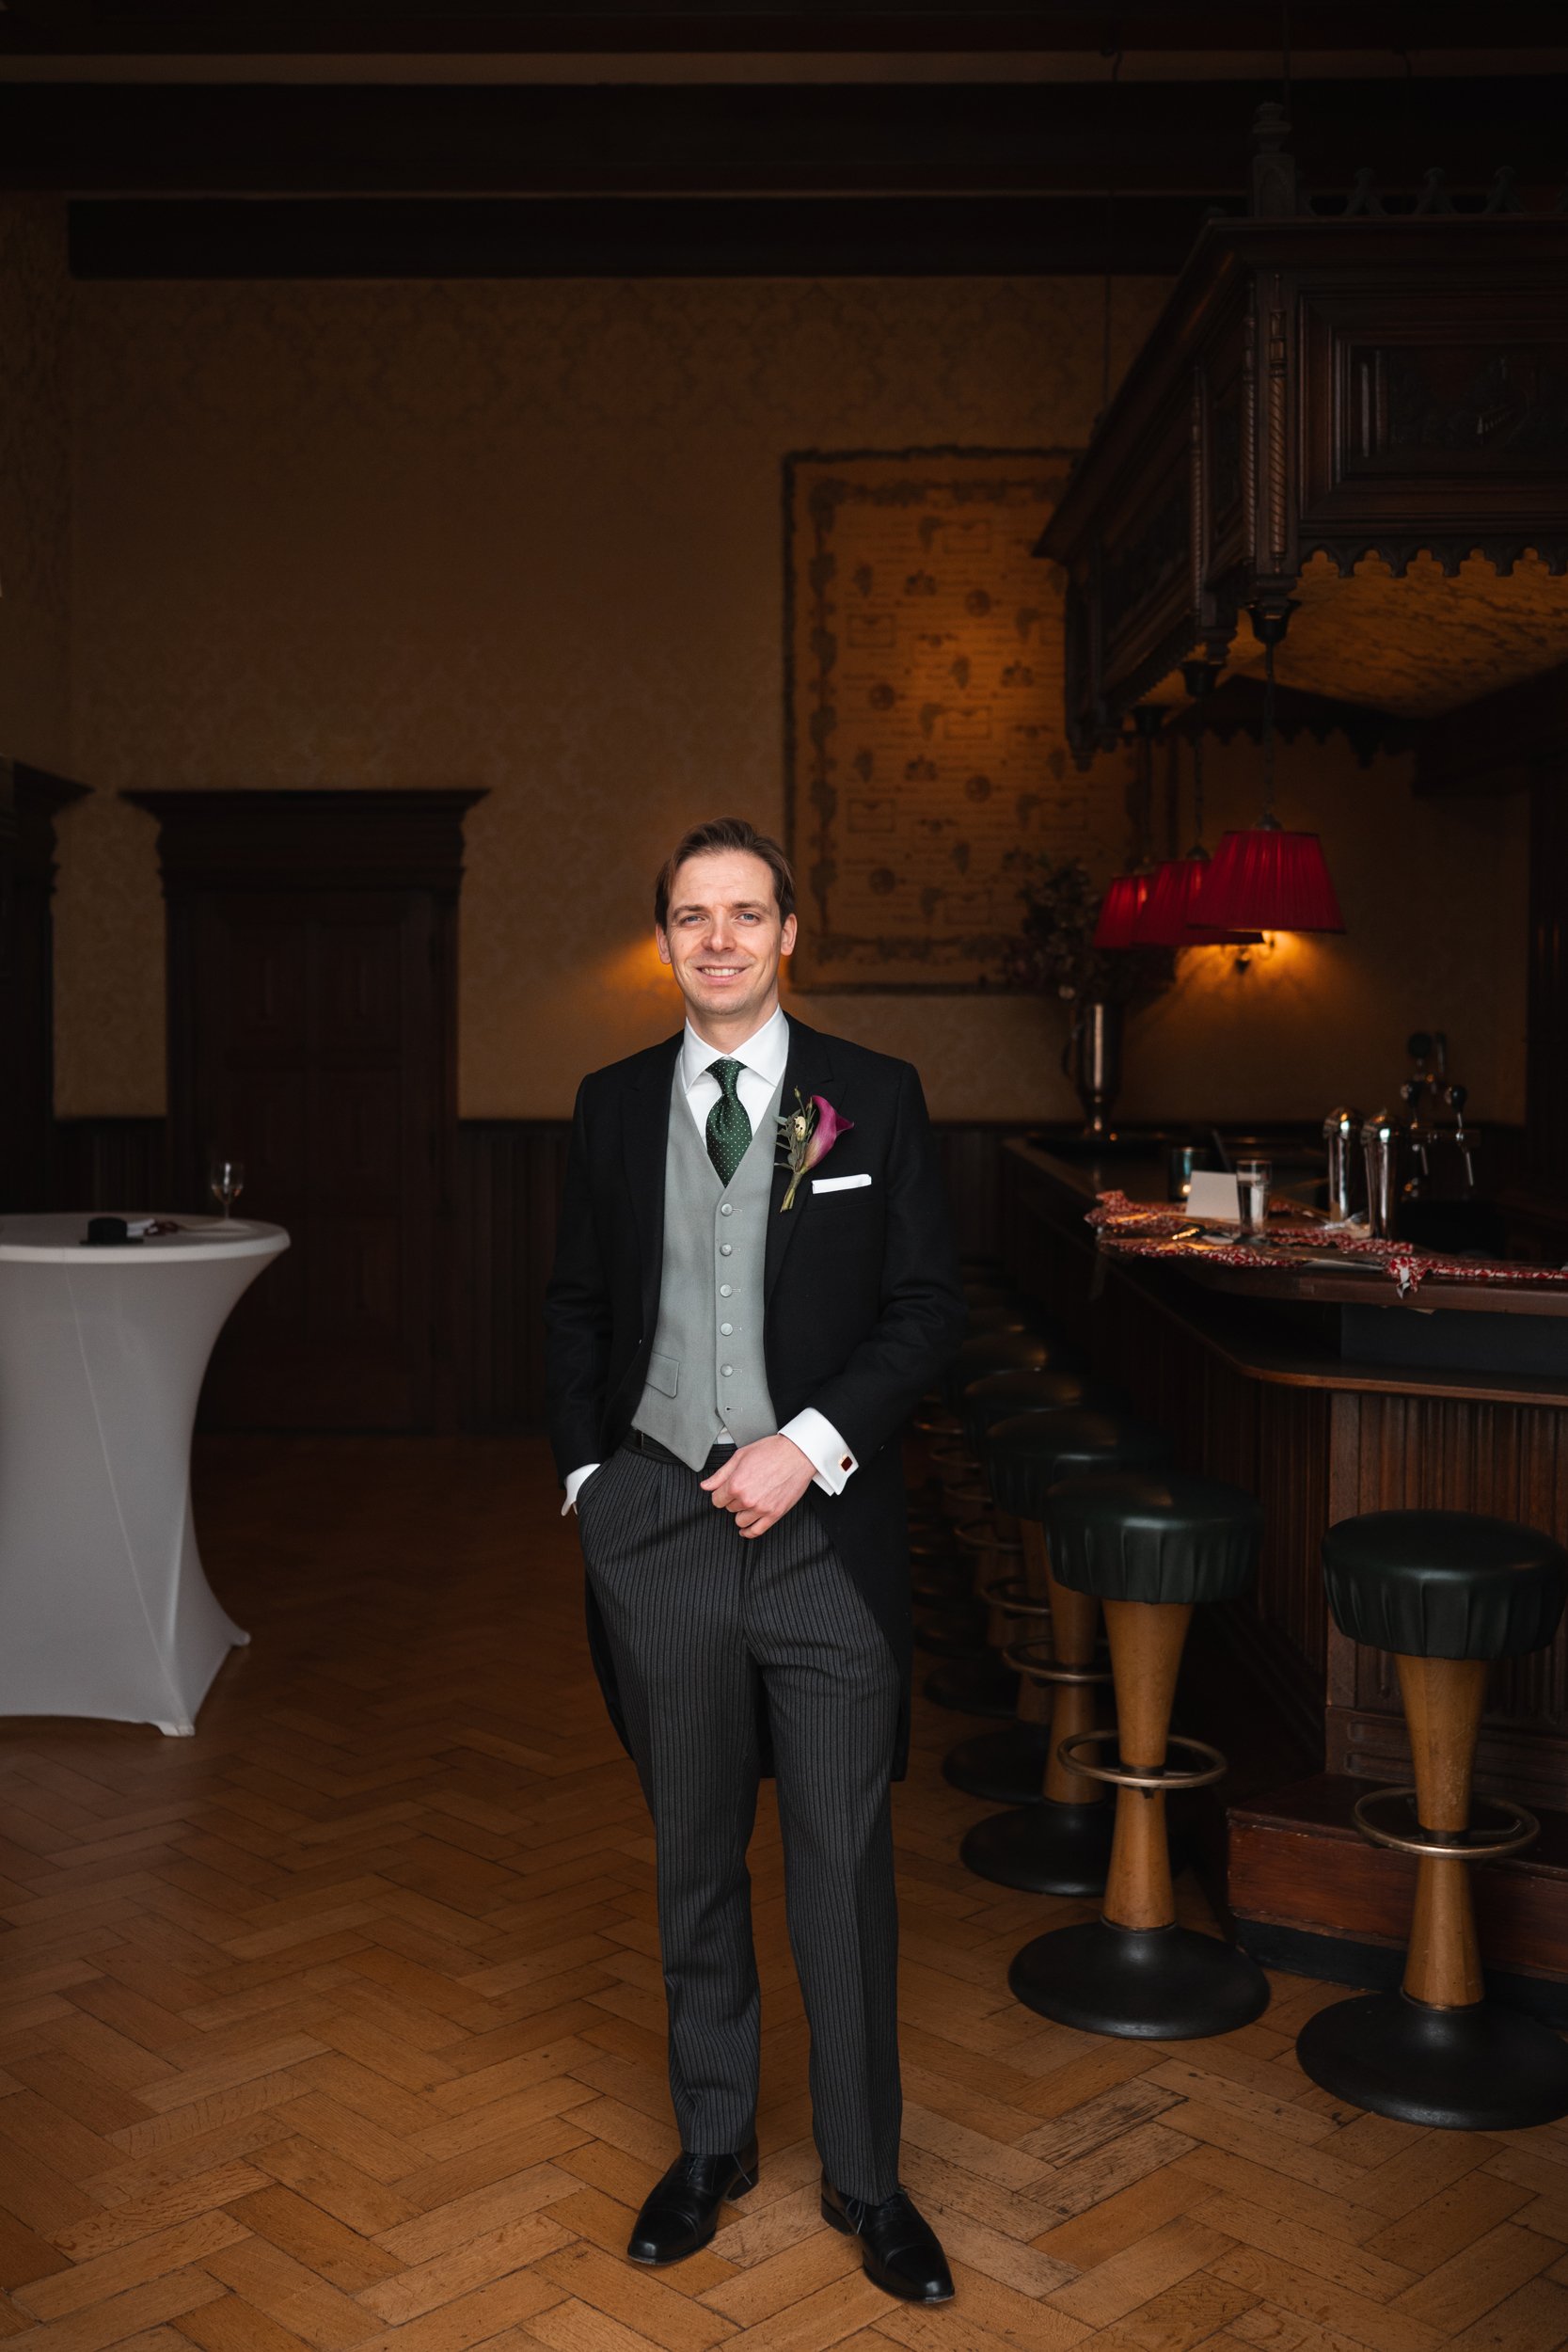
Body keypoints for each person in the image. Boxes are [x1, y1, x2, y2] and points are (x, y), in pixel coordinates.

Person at [544, 817, 966, 2304]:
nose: (717, 938)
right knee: (692, 1850)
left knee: (843, 1863)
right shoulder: (606, 1106)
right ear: (664, 939)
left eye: (745, 914)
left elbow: (927, 1311)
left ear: (791, 935)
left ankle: (868, 2179)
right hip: (655, 1519)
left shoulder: (877, 1099)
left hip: (824, 1539)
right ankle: (713, 2143)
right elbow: (578, 1307)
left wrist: (812, 1442)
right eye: (689, 916)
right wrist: (596, 1483)